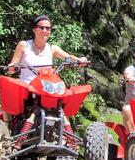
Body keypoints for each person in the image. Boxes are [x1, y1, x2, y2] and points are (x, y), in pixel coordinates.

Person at [8, 14, 88, 149]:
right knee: (11, 98)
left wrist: (79, 60)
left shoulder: (52, 48)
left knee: (61, 105)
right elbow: (13, 65)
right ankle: (13, 135)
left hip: (46, 87)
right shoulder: (24, 45)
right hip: (28, 86)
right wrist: (12, 67)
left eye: (48, 28)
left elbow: (67, 57)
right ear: (34, 29)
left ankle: (70, 141)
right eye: (42, 28)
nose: (45, 31)